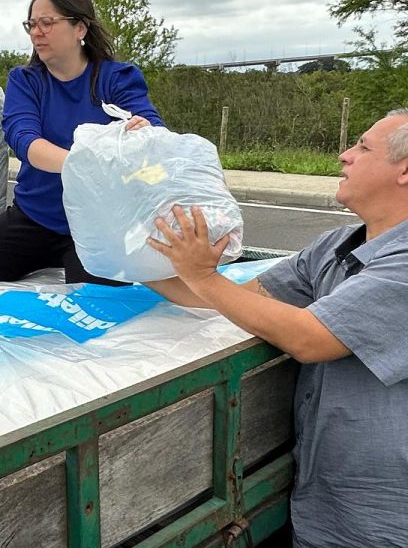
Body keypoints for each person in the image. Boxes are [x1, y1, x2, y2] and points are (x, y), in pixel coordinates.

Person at [145, 109, 408, 547]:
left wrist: (205, 277)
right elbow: (232, 298)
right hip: (324, 502)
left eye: (362, 147)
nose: (345, 155)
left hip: (383, 514)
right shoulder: (334, 246)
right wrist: (130, 254)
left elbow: (311, 337)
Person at [0, 0, 164, 285]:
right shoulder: (26, 80)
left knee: (99, 309)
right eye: (31, 24)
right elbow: (24, 139)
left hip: (100, 225)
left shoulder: (117, 78)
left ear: (80, 28)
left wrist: (145, 132)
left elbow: (153, 131)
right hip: (34, 219)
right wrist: (85, 164)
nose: (36, 32)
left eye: (47, 23)